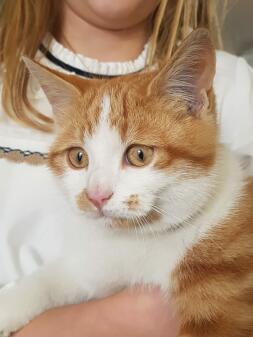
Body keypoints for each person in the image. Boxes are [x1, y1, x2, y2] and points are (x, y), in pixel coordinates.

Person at [0, 1, 252, 336]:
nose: (97, 193)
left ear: (194, 102)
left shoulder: (238, 84)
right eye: (79, 159)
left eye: (137, 156)